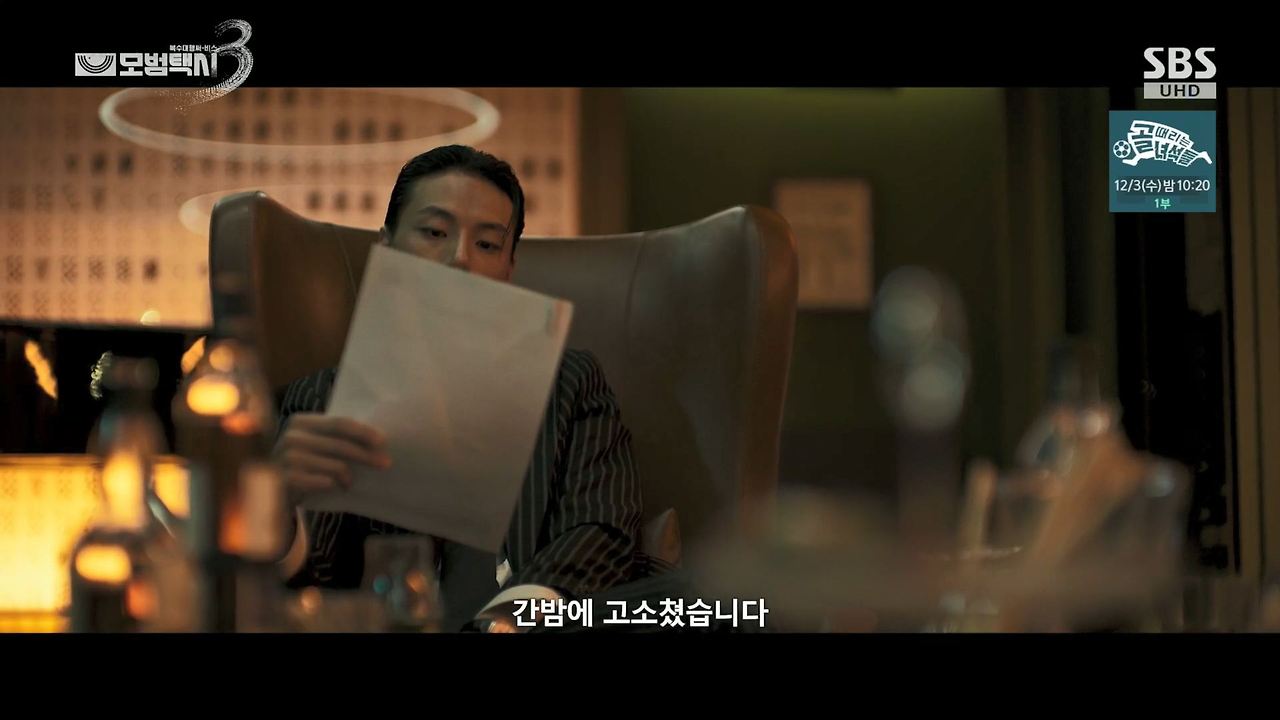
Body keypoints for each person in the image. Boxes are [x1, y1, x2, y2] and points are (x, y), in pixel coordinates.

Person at [272, 145, 645, 631]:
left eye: (487, 244)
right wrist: (275, 506)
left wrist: (513, 618)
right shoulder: (323, 397)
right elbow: (307, 578)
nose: (460, 259)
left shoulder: (570, 382)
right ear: (386, 248)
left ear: (509, 269)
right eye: (434, 232)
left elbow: (601, 529)